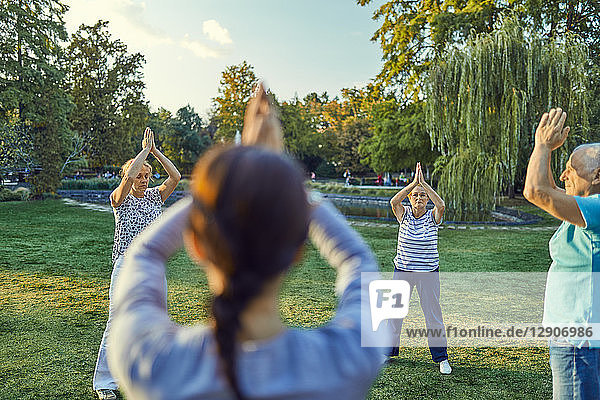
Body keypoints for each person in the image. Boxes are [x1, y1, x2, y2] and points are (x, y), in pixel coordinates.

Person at [106, 84, 390, 400]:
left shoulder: (150, 364)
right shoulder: (349, 360)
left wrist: (224, 184)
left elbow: (144, 254)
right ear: (298, 250)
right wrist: (277, 181)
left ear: (196, 245)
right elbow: (359, 261)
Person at [93, 127, 181, 400]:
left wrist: (155, 151)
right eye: (139, 176)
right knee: (116, 320)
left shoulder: (156, 196)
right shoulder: (120, 199)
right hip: (126, 266)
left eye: (146, 176)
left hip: (153, 266)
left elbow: (175, 177)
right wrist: (143, 151)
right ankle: (104, 384)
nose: (143, 180)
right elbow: (129, 177)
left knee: (156, 321)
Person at [524, 107, 600, 399]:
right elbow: (550, 188)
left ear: (597, 175)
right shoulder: (586, 207)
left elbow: (536, 191)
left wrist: (542, 146)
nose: (563, 173)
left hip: (578, 343)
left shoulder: (595, 208)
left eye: (572, 167)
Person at [388, 162, 451, 374]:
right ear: (410, 198)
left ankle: (441, 358)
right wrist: (413, 184)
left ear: (427, 200)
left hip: (428, 273)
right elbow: (393, 201)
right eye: (415, 195)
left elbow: (441, 205)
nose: (418, 198)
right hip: (403, 271)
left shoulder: (432, 217)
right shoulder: (403, 213)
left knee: (433, 315)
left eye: (422, 196)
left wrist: (424, 184)